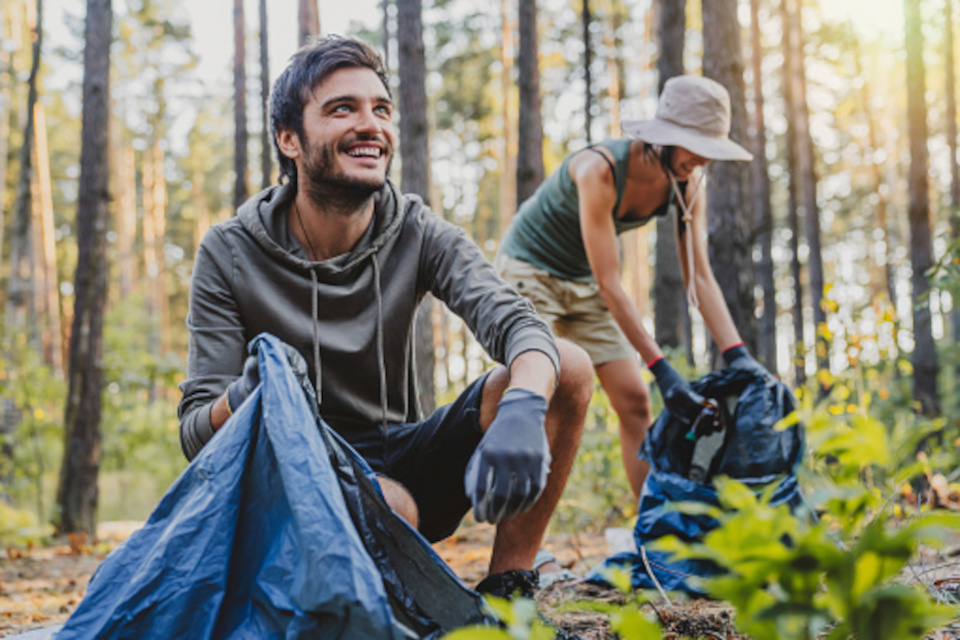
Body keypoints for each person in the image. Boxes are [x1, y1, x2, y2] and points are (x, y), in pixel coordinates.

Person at [177, 35, 592, 600]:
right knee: (390, 507)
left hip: (406, 454)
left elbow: (517, 324)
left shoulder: (417, 229)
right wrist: (245, 396)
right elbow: (196, 434)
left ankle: (509, 593)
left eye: (381, 109)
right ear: (289, 139)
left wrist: (522, 406)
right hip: (300, 474)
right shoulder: (228, 252)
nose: (370, 124)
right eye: (342, 108)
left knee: (564, 366)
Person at [497, 75, 768, 499]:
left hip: (583, 283)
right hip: (529, 272)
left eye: (708, 151)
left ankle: (649, 529)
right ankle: (525, 545)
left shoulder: (687, 182)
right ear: (664, 137)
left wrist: (738, 355)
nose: (701, 161)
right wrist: (663, 370)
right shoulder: (599, 170)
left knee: (636, 400)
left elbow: (700, 277)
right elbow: (611, 283)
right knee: (542, 395)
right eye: (694, 146)